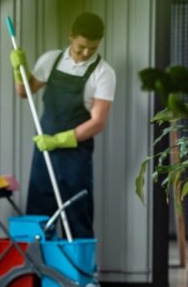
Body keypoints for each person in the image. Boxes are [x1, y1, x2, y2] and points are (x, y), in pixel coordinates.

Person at [10, 12, 116, 239]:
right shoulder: (51, 60)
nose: (86, 53)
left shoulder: (103, 73)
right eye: (81, 47)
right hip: (45, 153)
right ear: (71, 37)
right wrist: (19, 69)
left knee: (78, 217)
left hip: (76, 157)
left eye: (93, 48)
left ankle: (79, 274)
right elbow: (24, 91)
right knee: (39, 218)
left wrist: (59, 139)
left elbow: (97, 122)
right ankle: (38, 274)